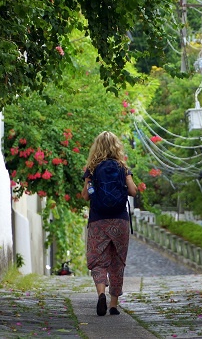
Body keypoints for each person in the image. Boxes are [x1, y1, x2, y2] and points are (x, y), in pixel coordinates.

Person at [81, 131, 137, 316]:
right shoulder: (123, 167)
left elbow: (85, 196)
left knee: (98, 260)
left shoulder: (92, 168)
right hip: (120, 220)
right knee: (117, 261)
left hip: (98, 220)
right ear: (116, 147)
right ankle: (113, 305)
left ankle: (100, 295)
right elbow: (133, 191)